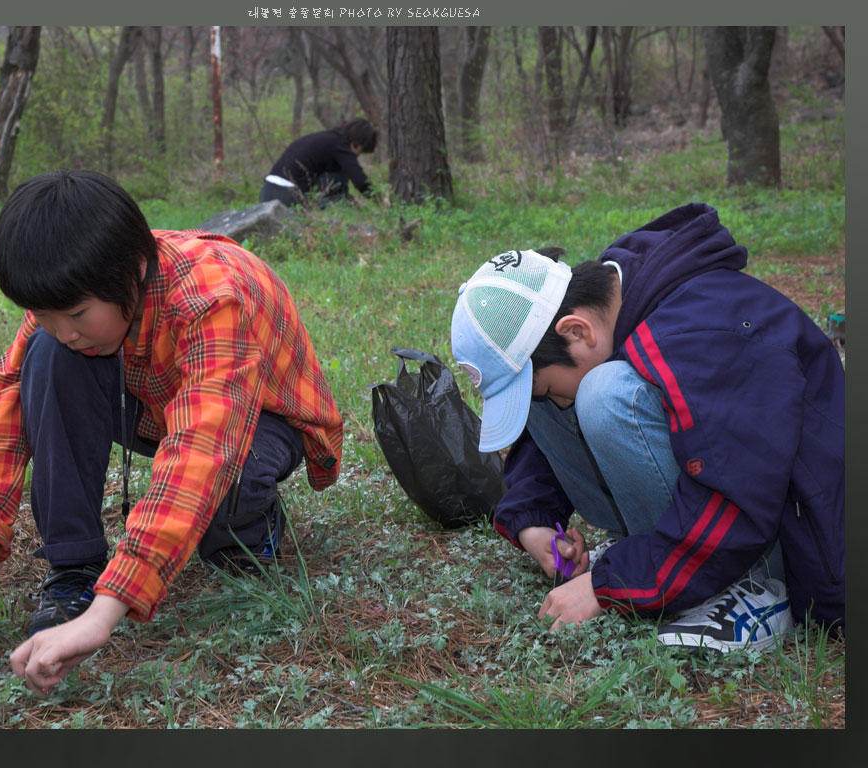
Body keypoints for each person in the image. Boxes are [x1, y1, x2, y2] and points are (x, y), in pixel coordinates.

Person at [0, 170, 344, 694]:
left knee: (233, 487)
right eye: (43, 314)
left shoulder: (215, 299)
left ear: (130, 274)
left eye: (77, 314)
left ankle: (250, 525)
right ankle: (72, 569)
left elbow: (202, 450)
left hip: (264, 420)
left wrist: (106, 614)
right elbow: (2, 404)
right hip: (161, 405)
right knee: (46, 361)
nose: (64, 329)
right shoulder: (74, 302)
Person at [450, 203, 844, 653]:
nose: (552, 402)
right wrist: (534, 521)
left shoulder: (703, 329)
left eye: (545, 390)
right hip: (730, 512)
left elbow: (736, 496)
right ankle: (658, 550)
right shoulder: (612, 303)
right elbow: (544, 413)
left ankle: (749, 591)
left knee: (604, 393)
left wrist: (609, 582)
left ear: (576, 330)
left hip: (785, 539)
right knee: (562, 389)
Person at [259, 118, 377, 208]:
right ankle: (335, 206)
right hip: (287, 194)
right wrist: (379, 199)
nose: (357, 156)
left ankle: (341, 203)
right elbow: (360, 181)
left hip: (267, 190)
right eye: (361, 150)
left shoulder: (327, 139)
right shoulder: (341, 146)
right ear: (356, 142)